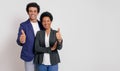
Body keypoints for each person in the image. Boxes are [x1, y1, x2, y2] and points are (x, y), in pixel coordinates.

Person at [16, 2, 44, 71]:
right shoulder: (23, 25)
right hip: (29, 55)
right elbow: (19, 40)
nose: (33, 13)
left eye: (35, 11)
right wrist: (22, 40)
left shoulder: (42, 24)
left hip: (40, 55)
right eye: (30, 11)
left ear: (38, 12)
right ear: (28, 12)